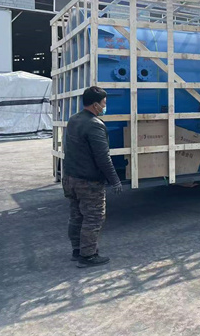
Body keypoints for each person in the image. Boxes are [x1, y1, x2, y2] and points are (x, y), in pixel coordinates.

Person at [62, 86, 122, 268]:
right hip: (88, 182)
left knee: (76, 216)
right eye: (104, 103)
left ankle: (77, 250)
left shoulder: (73, 120)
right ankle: (87, 256)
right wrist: (115, 180)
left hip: (70, 178)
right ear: (96, 105)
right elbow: (103, 157)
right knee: (93, 218)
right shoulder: (95, 125)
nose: (105, 106)